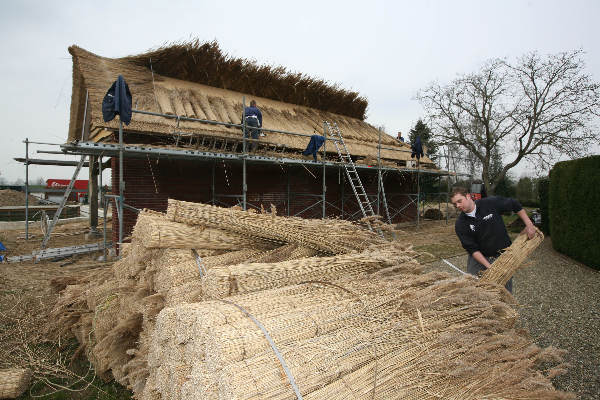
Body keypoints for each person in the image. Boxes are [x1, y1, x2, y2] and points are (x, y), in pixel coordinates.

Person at [450, 186, 536, 293]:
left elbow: (514, 204)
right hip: (480, 258)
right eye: (455, 204)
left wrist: (529, 225)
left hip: (503, 254)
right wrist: (490, 267)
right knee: (475, 289)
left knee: (504, 290)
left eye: (459, 201)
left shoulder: (490, 203)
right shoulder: (461, 224)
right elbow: (472, 249)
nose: (457, 206)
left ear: (468, 196)